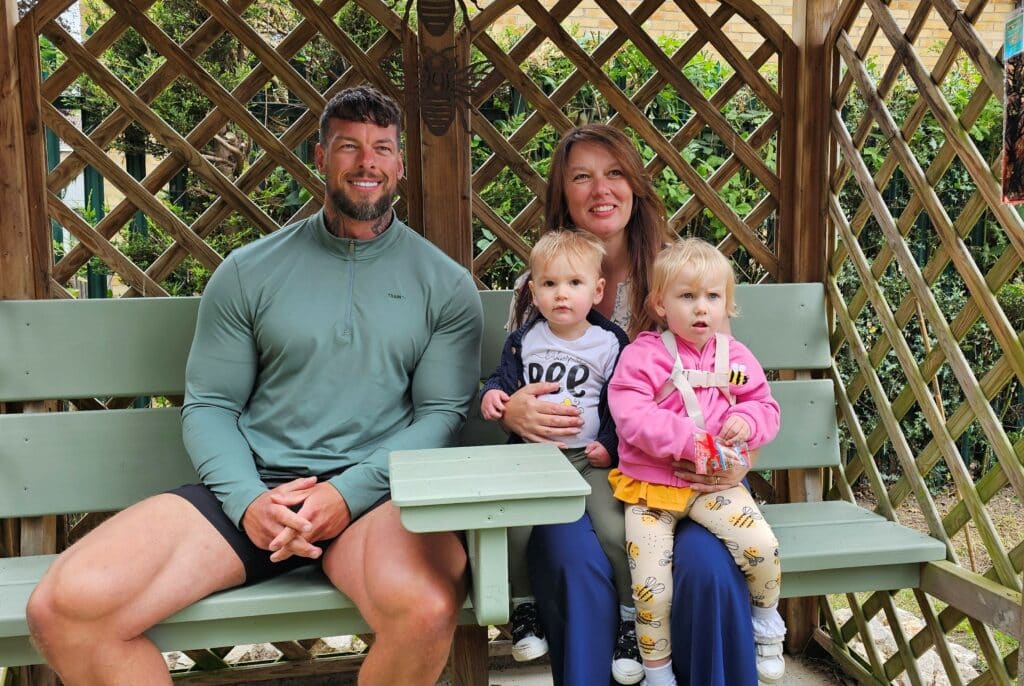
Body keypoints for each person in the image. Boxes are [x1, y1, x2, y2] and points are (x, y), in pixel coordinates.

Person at [25, 85, 483, 686]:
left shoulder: (444, 285)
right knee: (62, 610)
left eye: (381, 147)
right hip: (256, 492)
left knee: (425, 610)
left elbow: (441, 416)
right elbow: (211, 406)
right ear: (320, 157)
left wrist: (344, 494)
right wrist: (247, 501)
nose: (366, 162)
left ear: (400, 163)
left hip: (375, 499)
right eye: (348, 146)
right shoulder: (249, 271)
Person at [501, 123, 762, 685]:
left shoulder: (680, 275)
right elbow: (516, 372)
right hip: (576, 474)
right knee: (573, 558)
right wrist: (514, 409)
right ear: (562, 192)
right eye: (582, 177)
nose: (601, 189)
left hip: (676, 477)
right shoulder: (538, 284)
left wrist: (739, 459)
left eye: (615, 173)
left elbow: (735, 391)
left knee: (707, 568)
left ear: (635, 186)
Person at [607, 238, 785, 686]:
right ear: (660, 304)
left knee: (762, 546)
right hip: (651, 490)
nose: (701, 308)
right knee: (651, 589)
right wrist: (694, 442)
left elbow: (763, 404)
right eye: (687, 296)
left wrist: (748, 421)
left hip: (713, 486)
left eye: (712, 296)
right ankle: (658, 672)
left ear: (727, 304)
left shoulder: (735, 358)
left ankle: (766, 622)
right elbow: (632, 417)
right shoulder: (644, 356)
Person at [479, 229, 637, 682]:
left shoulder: (610, 343)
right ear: (534, 293)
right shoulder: (525, 340)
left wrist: (609, 444)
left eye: (574, 284)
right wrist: (494, 397)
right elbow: (503, 379)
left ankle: (630, 619)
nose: (561, 294)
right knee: (515, 529)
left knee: (615, 529)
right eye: (549, 284)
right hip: (535, 459)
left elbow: (620, 403)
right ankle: (523, 609)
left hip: (590, 459)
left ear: (597, 291)